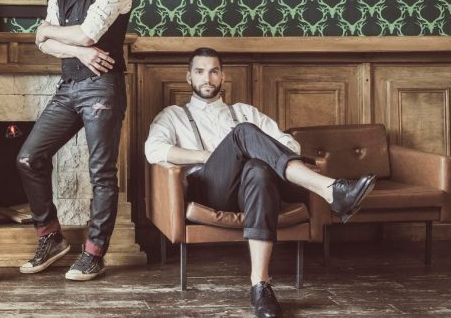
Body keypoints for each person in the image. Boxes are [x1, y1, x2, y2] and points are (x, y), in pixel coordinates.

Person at [144, 47, 377, 318]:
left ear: (222, 76)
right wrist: (207, 155)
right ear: (189, 77)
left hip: (250, 188)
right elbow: (154, 150)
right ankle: (329, 189)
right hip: (209, 188)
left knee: (257, 168)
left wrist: (257, 154)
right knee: (243, 133)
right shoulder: (173, 115)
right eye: (200, 72)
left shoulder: (245, 111)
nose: (207, 78)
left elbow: (290, 144)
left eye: (214, 71)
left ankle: (260, 285)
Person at [16, 0, 133, 281]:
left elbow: (85, 33)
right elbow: (45, 44)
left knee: (101, 172)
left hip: (102, 87)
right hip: (69, 86)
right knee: (29, 158)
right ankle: (51, 238)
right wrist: (78, 51)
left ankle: (95, 253)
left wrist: (52, 31)